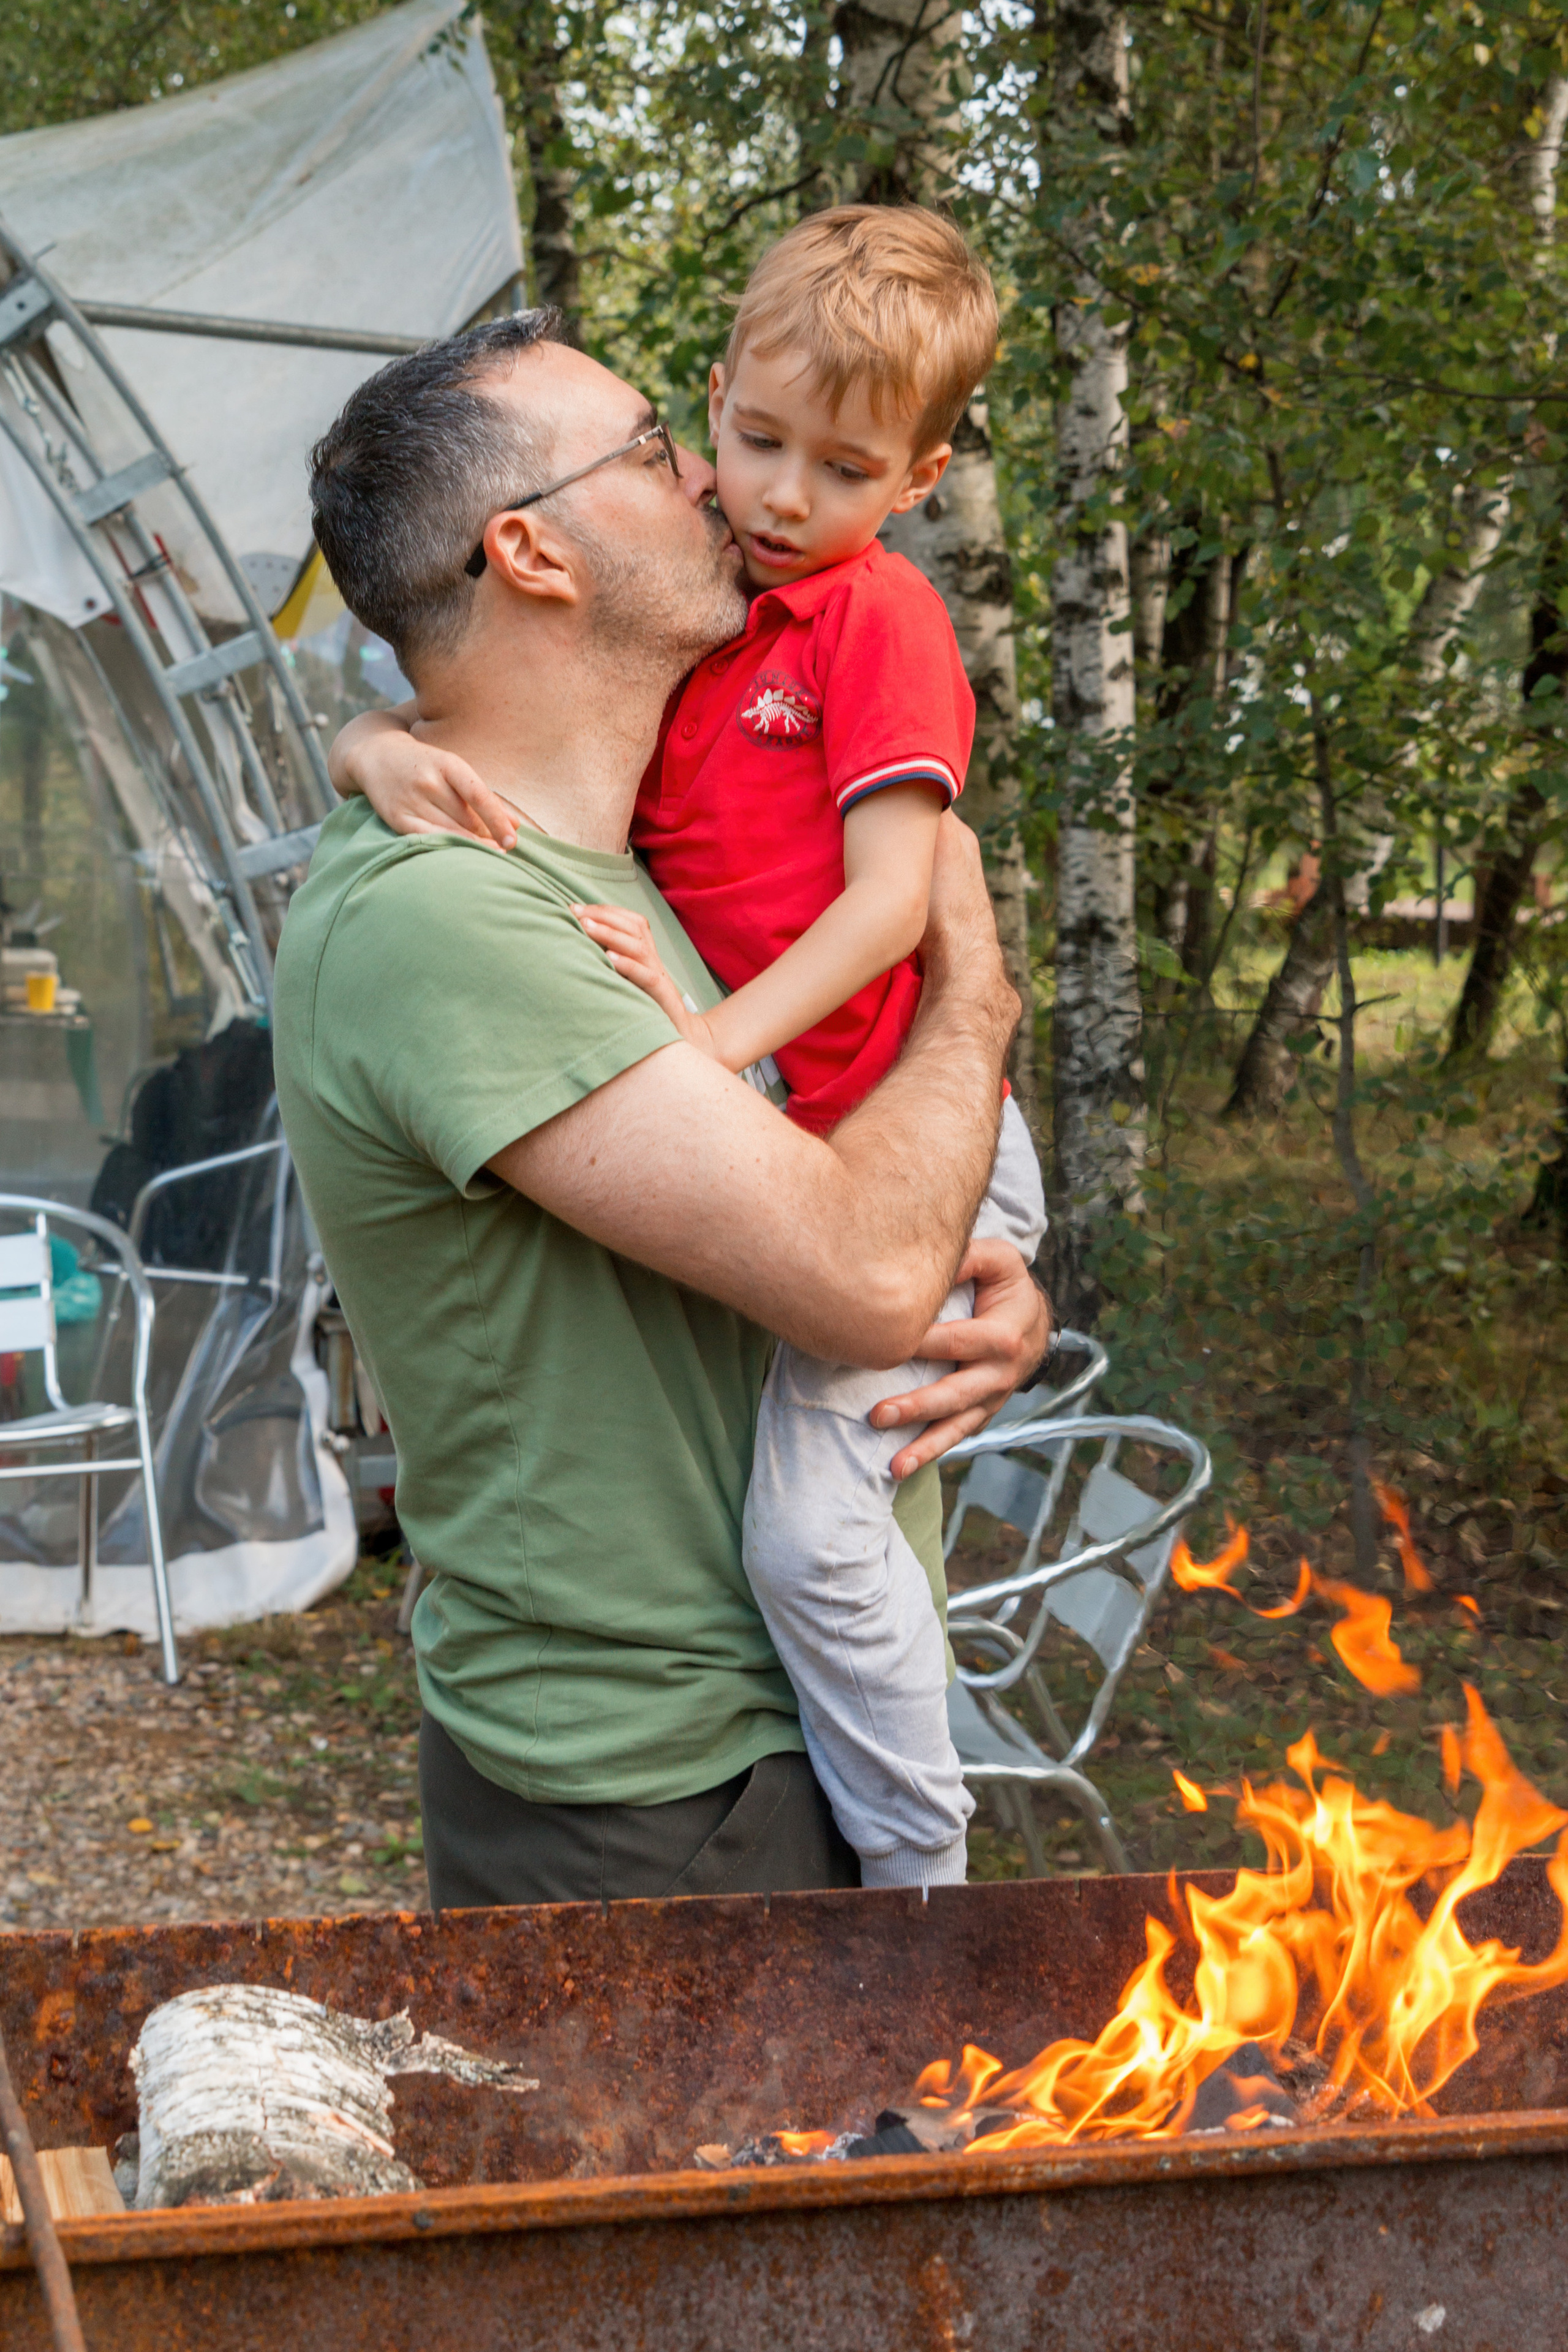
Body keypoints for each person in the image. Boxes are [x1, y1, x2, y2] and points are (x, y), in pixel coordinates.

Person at [274, 307, 1050, 1911]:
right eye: (649, 449)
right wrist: (976, 990)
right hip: (661, 1795)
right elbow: (858, 1272)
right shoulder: (450, 916)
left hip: (770, 1736)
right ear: (532, 552)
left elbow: (839, 1226)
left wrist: (974, 1280)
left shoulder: (629, 860)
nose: (711, 476)